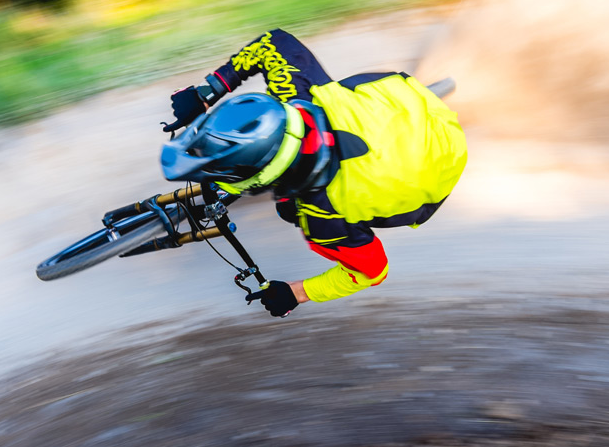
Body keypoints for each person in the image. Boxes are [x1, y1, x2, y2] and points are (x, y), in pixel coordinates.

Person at [160, 29, 468, 317]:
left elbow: (372, 271)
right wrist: (207, 91)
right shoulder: (300, 97)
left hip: (439, 164)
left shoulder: (324, 219)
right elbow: (273, 42)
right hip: (403, 99)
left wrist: (298, 293)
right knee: (336, 97)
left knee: (289, 211)